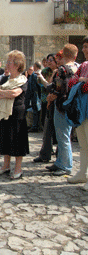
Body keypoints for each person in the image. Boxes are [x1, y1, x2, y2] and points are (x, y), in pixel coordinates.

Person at [0, 50, 29, 180]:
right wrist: (4, 92)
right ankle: (6, 165)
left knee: (17, 139)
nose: (7, 64)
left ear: (17, 64)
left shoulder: (22, 80)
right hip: (5, 112)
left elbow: (15, 93)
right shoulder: (4, 78)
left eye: (10, 62)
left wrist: (3, 92)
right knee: (5, 137)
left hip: (17, 113)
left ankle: (18, 168)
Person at [45, 44, 78, 176]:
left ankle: (66, 165)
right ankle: (60, 162)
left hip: (61, 104)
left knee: (62, 136)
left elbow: (58, 88)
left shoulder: (62, 69)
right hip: (72, 105)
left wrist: (51, 96)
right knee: (65, 135)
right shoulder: (78, 67)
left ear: (63, 54)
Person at [67, 36, 88, 188]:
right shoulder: (84, 65)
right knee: (83, 143)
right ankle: (82, 173)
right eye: (84, 47)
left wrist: (81, 81)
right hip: (82, 107)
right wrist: (82, 80)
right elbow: (72, 81)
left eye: (87, 47)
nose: (85, 50)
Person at [33, 54, 58, 163]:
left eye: (51, 60)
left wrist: (44, 81)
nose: (49, 62)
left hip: (56, 101)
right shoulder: (46, 71)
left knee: (57, 129)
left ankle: (56, 153)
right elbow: (40, 83)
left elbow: (50, 86)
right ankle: (47, 151)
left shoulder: (59, 71)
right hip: (45, 100)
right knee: (45, 124)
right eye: (48, 60)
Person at [25, 61, 42, 133]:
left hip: (34, 95)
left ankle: (35, 126)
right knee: (35, 111)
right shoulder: (36, 74)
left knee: (35, 111)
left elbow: (34, 86)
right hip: (34, 95)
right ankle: (34, 126)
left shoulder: (35, 74)